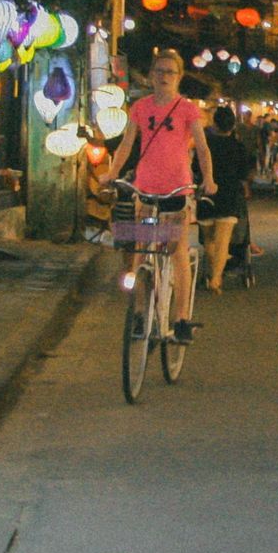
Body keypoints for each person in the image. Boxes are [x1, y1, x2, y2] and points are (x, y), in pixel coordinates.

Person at [104, 50, 216, 343]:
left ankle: (180, 319)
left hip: (177, 188)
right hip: (145, 187)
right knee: (140, 251)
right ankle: (141, 314)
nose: (164, 77)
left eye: (170, 72)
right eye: (160, 71)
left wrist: (209, 180)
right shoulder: (140, 108)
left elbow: (202, 149)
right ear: (152, 75)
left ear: (179, 78)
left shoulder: (188, 109)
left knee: (176, 251)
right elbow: (127, 145)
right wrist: (112, 173)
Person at [198, 106, 253, 293]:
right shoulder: (237, 146)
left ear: (214, 123)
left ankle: (214, 274)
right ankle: (216, 279)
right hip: (229, 196)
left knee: (208, 240)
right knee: (223, 241)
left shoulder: (205, 145)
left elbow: (196, 168)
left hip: (206, 195)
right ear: (233, 125)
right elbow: (244, 172)